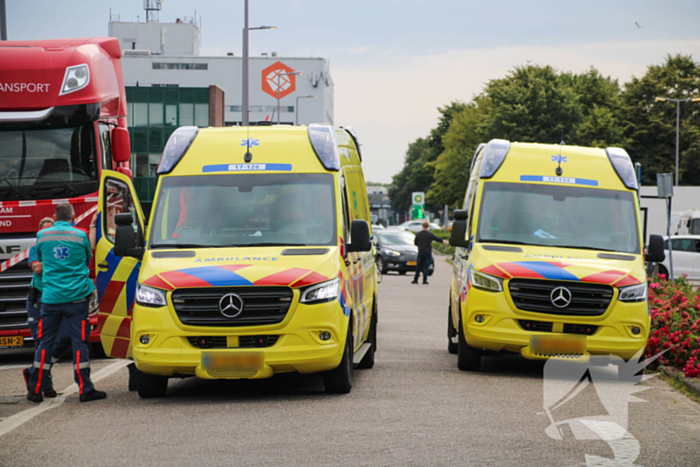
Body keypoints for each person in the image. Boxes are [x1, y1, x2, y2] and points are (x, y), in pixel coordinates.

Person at [26, 203, 106, 403]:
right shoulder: (80, 235)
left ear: (55, 216)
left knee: (44, 343)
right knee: (80, 343)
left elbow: (42, 262)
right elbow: (88, 259)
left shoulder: (42, 236)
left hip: (50, 299)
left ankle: (35, 390)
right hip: (76, 299)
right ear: (73, 216)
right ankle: (85, 389)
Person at [22, 218, 73, 398]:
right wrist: (56, 260)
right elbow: (36, 268)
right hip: (39, 299)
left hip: (58, 298)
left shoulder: (60, 248)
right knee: (42, 342)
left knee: (65, 338)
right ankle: (45, 384)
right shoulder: (36, 249)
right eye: (43, 232)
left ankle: (33, 371)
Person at [412, 220, 448, 285]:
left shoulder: (418, 234)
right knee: (426, 266)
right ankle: (424, 280)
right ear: (428, 226)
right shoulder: (430, 234)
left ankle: (415, 280)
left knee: (418, 266)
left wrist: (420, 246)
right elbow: (437, 239)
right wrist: (445, 241)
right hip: (428, 252)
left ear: (422, 226)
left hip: (421, 252)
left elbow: (415, 243)